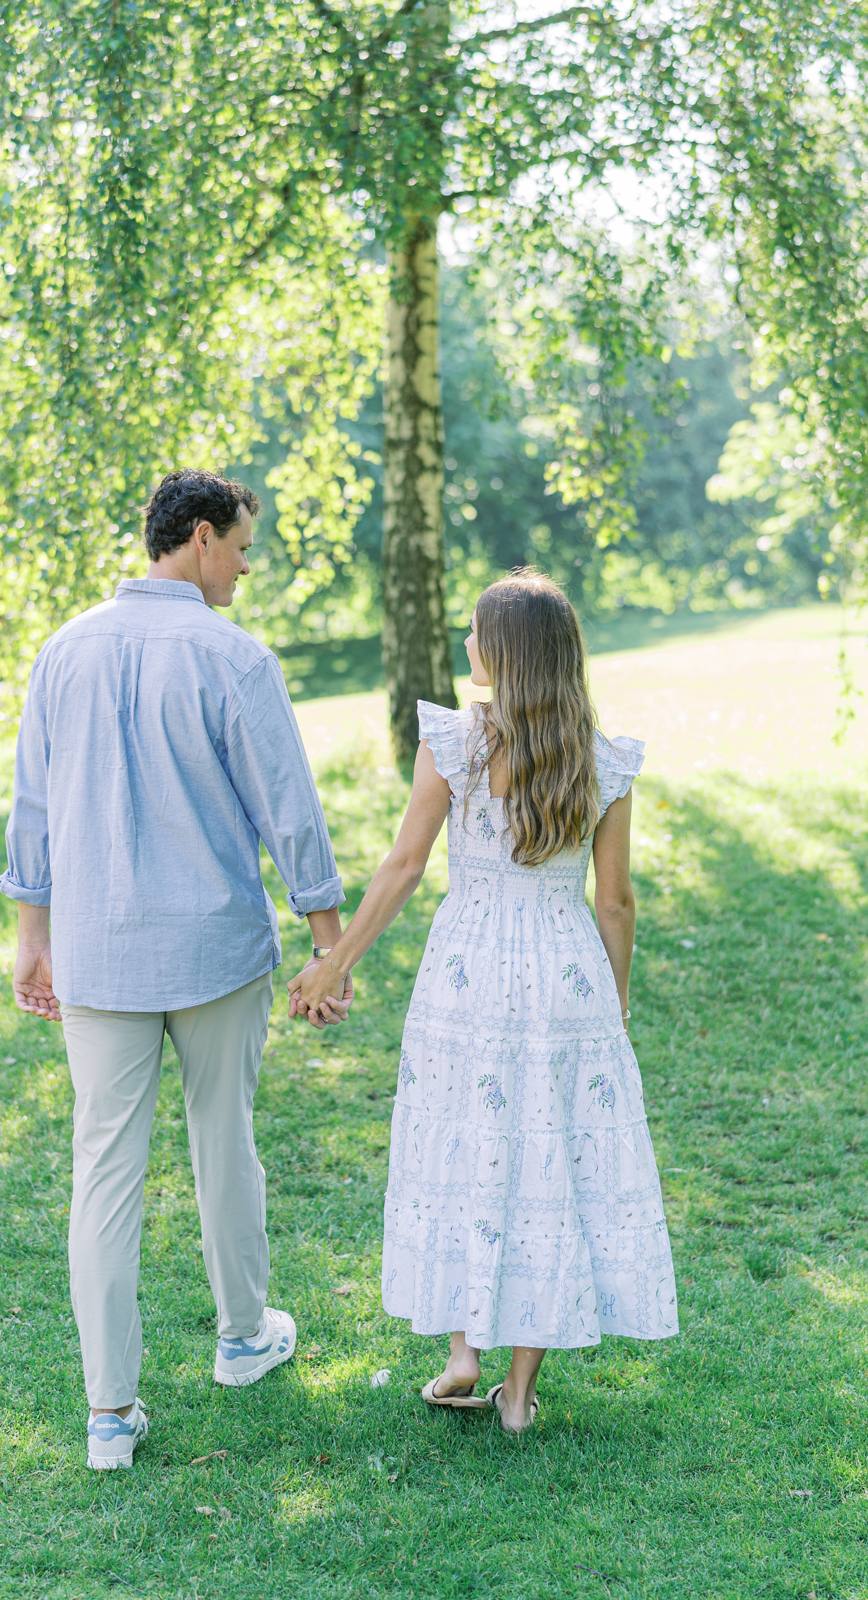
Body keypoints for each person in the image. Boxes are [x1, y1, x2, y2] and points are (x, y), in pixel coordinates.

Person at [0, 469, 351, 1471]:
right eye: (241, 546)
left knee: (102, 1171)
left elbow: (32, 807)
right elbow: (290, 808)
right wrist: (327, 939)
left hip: (98, 953)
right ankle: (242, 1338)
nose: (245, 565)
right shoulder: (231, 656)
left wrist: (32, 933)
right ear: (197, 539)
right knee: (222, 1140)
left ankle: (109, 1415)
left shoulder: (60, 650)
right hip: (211, 949)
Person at [289, 571, 678, 1433]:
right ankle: (519, 1392)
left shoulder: (458, 743)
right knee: (547, 1150)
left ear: (501, 653)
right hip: (565, 971)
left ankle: (464, 1352)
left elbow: (403, 866)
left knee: (467, 1141)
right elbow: (615, 902)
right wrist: (612, 1007)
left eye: (474, 631)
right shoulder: (602, 758)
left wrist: (336, 960)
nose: (466, 643)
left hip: (468, 969)